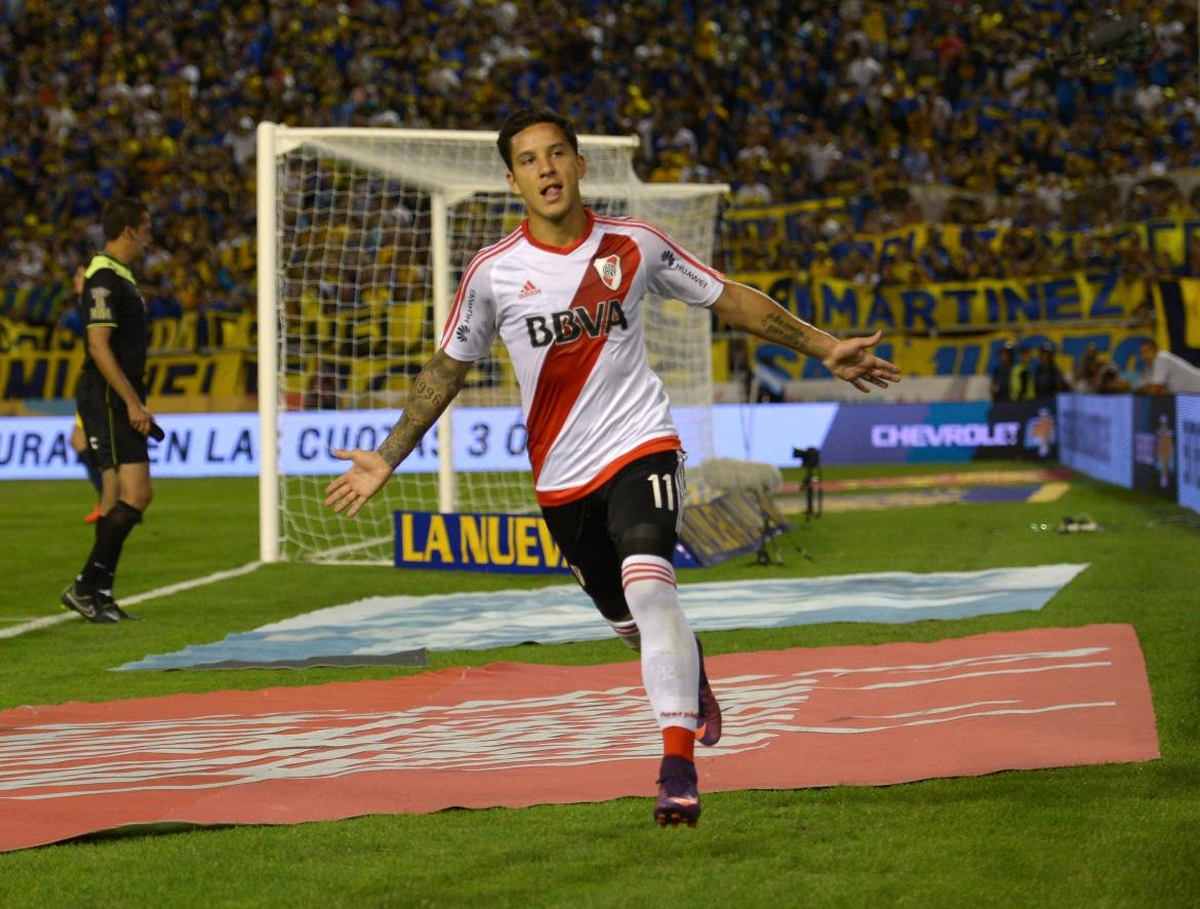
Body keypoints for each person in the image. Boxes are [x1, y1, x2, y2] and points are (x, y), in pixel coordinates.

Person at [323, 108, 901, 828]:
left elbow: (730, 300)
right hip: (561, 480)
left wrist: (821, 347)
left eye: (557, 153)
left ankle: (677, 767)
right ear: (513, 180)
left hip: (641, 447)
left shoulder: (635, 245)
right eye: (530, 160)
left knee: (650, 586)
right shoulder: (495, 273)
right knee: (625, 618)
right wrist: (387, 454)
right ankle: (692, 674)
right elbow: (448, 368)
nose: (547, 169)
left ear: (579, 163)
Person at [60, 199, 156, 624]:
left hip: (118, 394)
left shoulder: (119, 276)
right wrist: (131, 401)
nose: (150, 236)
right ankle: (85, 587)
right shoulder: (103, 275)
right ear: (130, 231)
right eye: (146, 227)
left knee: (116, 495)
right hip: (108, 397)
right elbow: (98, 346)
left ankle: (99, 592)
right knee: (137, 494)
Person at [66, 264, 106, 522]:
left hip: (99, 380)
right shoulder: (86, 307)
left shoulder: (96, 308)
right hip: (93, 379)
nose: (74, 279)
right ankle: (109, 499)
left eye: (80, 275)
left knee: (88, 442)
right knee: (79, 440)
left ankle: (110, 500)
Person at [1136, 338, 1200, 394]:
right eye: (1142, 352)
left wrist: (1139, 390)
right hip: (1190, 395)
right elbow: (1141, 387)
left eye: (1147, 351)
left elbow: (1154, 388)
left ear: (1155, 350)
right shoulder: (1148, 367)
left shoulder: (1161, 358)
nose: (1144, 355)